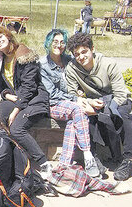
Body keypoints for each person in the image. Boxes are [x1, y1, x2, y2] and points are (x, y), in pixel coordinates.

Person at [65, 33, 132, 181]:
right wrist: (88, 103)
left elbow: (121, 94)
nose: (81, 57)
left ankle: (129, 158)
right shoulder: (72, 68)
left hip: (117, 101)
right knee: (84, 118)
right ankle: (93, 158)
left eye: (84, 52)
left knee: (123, 117)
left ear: (92, 49)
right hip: (94, 102)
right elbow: (71, 94)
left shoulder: (108, 64)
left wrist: (105, 108)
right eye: (77, 54)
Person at [0, 24, 52, 175]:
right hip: (15, 99)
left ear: (8, 35)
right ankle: (4, 161)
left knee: (16, 129)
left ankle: (44, 164)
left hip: (33, 100)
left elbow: (29, 87)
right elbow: (2, 86)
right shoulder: (1, 59)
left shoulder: (24, 54)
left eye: (0, 36)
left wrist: (16, 109)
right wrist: (6, 95)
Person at [39, 29, 101, 177]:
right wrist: (76, 99)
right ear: (48, 43)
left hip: (72, 105)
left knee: (73, 121)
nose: (59, 45)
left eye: (62, 42)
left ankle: (64, 164)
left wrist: (80, 91)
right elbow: (52, 94)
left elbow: (81, 79)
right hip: (53, 104)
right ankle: (88, 155)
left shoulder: (69, 61)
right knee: (77, 110)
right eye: (55, 42)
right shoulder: (43, 65)